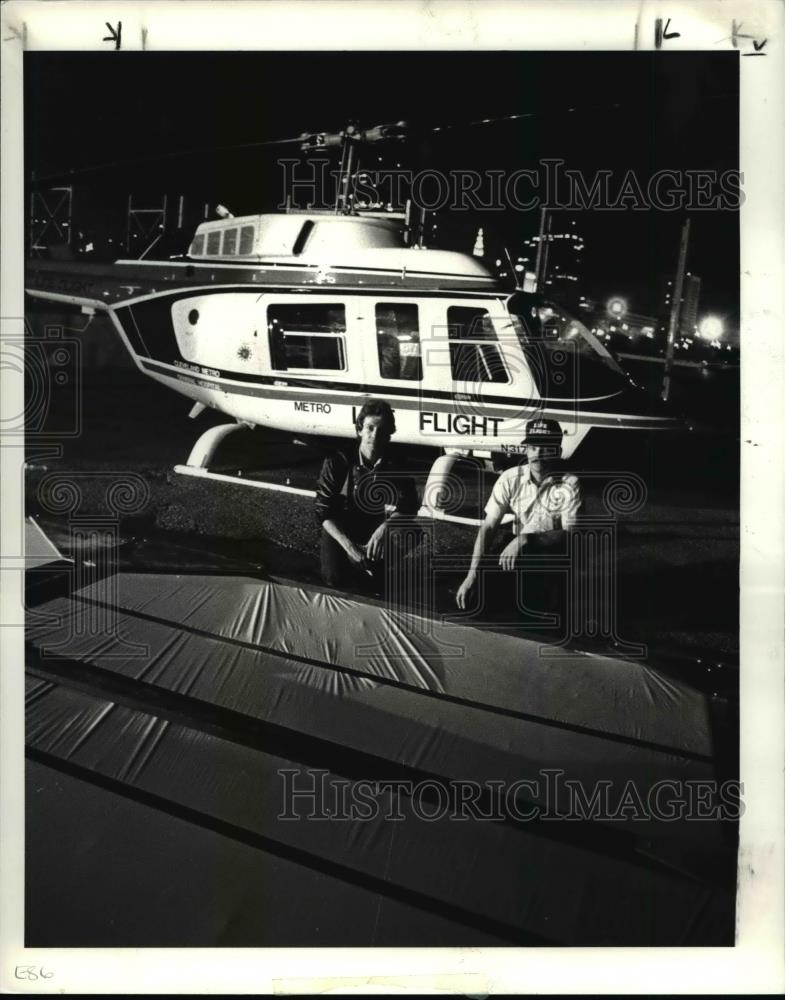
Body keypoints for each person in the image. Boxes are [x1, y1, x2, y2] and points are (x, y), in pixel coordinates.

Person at [455, 417, 581, 613]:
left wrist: (525, 539)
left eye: (546, 448)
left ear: (558, 451)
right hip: (517, 546)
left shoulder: (570, 483)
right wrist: (472, 575)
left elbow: (571, 534)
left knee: (544, 613)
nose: (538, 454)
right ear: (526, 449)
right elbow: (488, 526)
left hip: (552, 550)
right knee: (476, 597)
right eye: (533, 447)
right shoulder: (510, 477)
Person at [316, 400, 420, 592]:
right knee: (334, 578)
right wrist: (349, 547)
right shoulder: (338, 460)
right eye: (370, 428)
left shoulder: (396, 462)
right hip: (342, 525)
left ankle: (374, 565)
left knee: (411, 532)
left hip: (373, 524)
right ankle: (357, 564)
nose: (374, 435)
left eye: (381, 430)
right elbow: (323, 511)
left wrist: (384, 529)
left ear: (389, 435)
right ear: (359, 430)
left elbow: (409, 505)